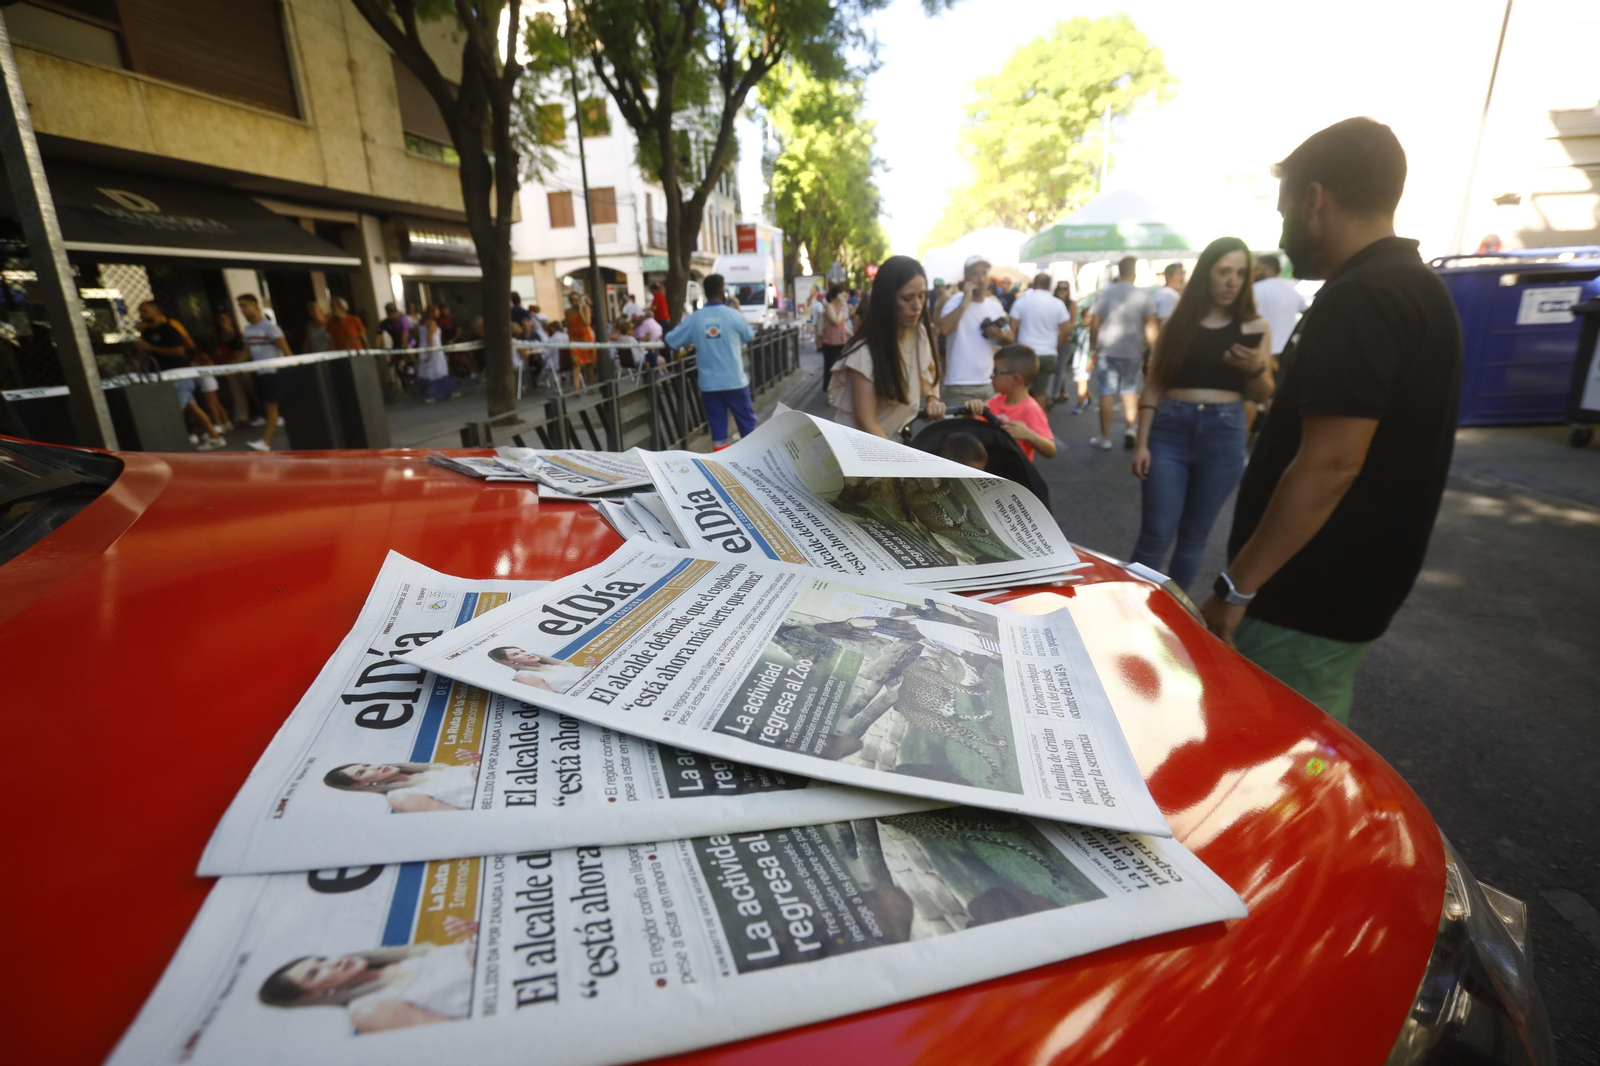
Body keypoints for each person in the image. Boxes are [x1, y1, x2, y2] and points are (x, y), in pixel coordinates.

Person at [1198, 118, 1464, 724]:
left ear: (1315, 199)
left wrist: (1236, 587)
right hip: (1348, 592)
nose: (1284, 228)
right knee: (1307, 754)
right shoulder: (1419, 288)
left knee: (1271, 760)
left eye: (1285, 207)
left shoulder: (1362, 297)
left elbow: (1331, 464)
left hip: (1304, 597)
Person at [1129, 237, 1272, 593]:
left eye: (1241, 273)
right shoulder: (1179, 322)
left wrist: (1255, 369)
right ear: (1206, 274)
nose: (1232, 281)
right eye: (1224, 271)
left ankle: (1172, 620)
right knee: (1156, 532)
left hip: (1225, 432)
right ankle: (1129, 611)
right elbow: (1154, 384)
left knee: (1195, 535)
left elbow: (1263, 393)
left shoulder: (1256, 327)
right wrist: (1141, 442)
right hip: (1169, 430)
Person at [257, 921, 478, 1032]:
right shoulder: (368, 1009)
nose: (334, 961)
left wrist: (481, 928)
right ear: (315, 994)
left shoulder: (401, 958)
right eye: (315, 973)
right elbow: (460, 1036)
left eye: (321, 959)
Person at [828, 255, 947, 439]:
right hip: (863, 451)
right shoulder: (864, 353)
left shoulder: (918, 333)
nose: (917, 306)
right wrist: (893, 459)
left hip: (891, 445)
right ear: (887, 299)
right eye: (907, 298)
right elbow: (866, 421)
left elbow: (932, 370)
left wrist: (933, 398)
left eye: (922, 296)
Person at [664, 274, 756, 448]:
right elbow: (749, 336)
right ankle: (752, 461)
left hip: (710, 384)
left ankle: (722, 467)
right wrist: (738, 309)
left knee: (718, 431)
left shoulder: (695, 319)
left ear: (705, 292)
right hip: (734, 381)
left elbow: (671, 340)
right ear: (723, 291)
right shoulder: (734, 315)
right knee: (747, 425)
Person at [1086, 256, 1157, 450]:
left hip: (1107, 350)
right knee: (1129, 390)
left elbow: (1094, 324)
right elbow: (1150, 324)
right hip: (1132, 350)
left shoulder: (1105, 294)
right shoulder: (1144, 295)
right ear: (1134, 272)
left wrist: (1092, 347)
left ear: (1119, 270)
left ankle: (1105, 437)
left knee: (1107, 392)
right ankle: (1130, 429)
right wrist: (1153, 351)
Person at [136, 301, 226, 449]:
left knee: (176, 410)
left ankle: (171, 445)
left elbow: (180, 351)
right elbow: (144, 352)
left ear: (157, 311)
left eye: (145, 310)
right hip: (163, 376)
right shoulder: (146, 332)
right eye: (140, 311)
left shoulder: (170, 330)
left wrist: (151, 348)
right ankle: (214, 436)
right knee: (193, 407)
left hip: (178, 375)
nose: (142, 314)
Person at [937, 254, 1015, 409]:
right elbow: (944, 329)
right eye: (975, 274)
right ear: (966, 278)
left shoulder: (994, 306)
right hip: (958, 385)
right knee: (957, 432)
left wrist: (1002, 335)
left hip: (988, 384)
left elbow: (1011, 337)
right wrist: (966, 300)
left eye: (984, 273)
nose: (980, 279)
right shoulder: (954, 302)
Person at [963, 344, 1055, 462]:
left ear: (1016, 379)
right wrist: (971, 413)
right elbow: (978, 431)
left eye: (995, 371)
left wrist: (1030, 436)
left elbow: (1051, 450)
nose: (991, 376)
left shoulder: (1031, 409)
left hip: (1015, 474)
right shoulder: (994, 402)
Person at [322, 754, 481, 811]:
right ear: (359, 785)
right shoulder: (400, 797)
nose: (376, 766)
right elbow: (460, 822)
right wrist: (482, 785)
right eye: (362, 772)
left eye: (367, 765)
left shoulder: (424, 770)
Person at [237, 294, 291, 452]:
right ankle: (270, 433)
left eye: (244, 305)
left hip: (273, 372)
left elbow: (285, 349)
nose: (242, 309)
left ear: (255, 305)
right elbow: (247, 352)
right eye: (240, 306)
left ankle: (265, 443)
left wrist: (292, 369)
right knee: (271, 407)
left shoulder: (269, 327)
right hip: (261, 373)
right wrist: (230, 367)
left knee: (271, 408)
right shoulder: (247, 329)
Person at [1010, 273, 1074, 404]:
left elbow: (1012, 328)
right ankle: (1038, 423)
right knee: (1041, 392)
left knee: (1022, 392)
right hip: (1048, 353)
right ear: (1049, 286)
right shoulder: (1057, 304)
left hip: (1026, 354)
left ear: (1034, 284)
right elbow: (1067, 328)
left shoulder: (1021, 302)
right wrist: (1057, 344)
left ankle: (1022, 421)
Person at [1252, 254, 1309, 367]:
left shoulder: (1255, 289)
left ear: (1270, 268)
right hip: (1287, 351)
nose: (1255, 271)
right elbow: (1306, 312)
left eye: (1258, 267)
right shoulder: (1290, 288)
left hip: (1263, 352)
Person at [487, 646, 590, 692]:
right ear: (508, 661)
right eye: (516, 654)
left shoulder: (552, 663)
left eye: (523, 650)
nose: (527, 653)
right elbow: (555, 699)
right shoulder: (523, 675)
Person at [416, 305, 454, 402]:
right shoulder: (431, 323)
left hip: (424, 348)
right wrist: (430, 352)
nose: (439, 313)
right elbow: (430, 337)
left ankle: (428, 393)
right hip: (433, 350)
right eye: (437, 311)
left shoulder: (421, 323)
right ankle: (434, 393)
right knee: (437, 370)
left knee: (428, 371)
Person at [816, 283, 852, 387]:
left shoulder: (840, 307)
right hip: (830, 342)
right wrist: (842, 309)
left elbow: (842, 325)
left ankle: (837, 390)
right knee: (830, 366)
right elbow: (836, 321)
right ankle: (829, 391)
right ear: (836, 295)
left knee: (840, 368)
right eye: (842, 294)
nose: (844, 297)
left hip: (841, 340)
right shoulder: (829, 306)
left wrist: (853, 335)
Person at [565, 292, 596, 390]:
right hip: (574, 338)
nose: (574, 302)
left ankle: (590, 386)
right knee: (576, 364)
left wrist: (580, 311)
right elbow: (567, 324)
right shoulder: (567, 311)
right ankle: (576, 388)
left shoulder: (585, 308)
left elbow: (587, 323)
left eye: (576, 300)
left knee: (589, 364)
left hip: (586, 338)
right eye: (572, 300)